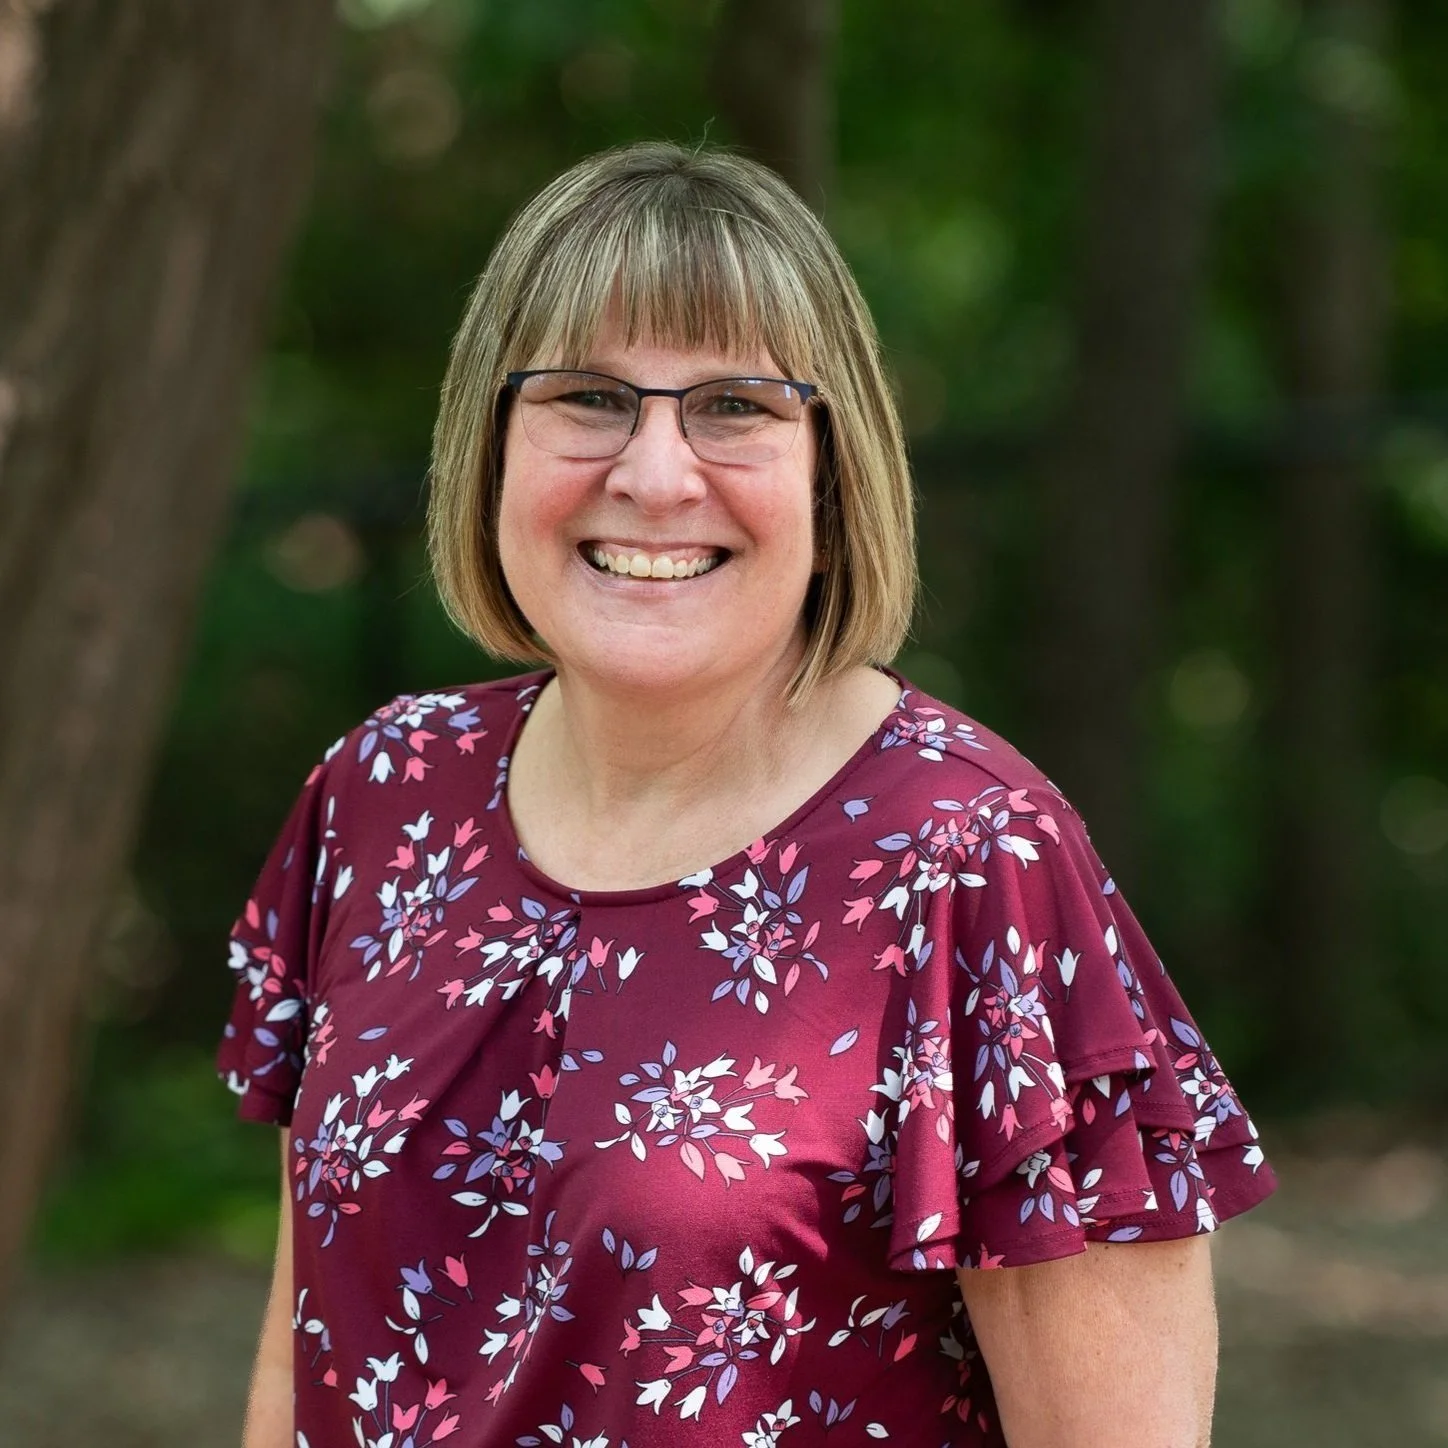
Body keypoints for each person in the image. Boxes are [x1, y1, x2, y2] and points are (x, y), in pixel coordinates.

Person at [220, 141, 1276, 1448]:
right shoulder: (382, 793)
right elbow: (300, 1352)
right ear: (490, 442)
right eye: (590, 398)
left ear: (831, 472)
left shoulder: (969, 860)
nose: (656, 475)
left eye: (735, 407)